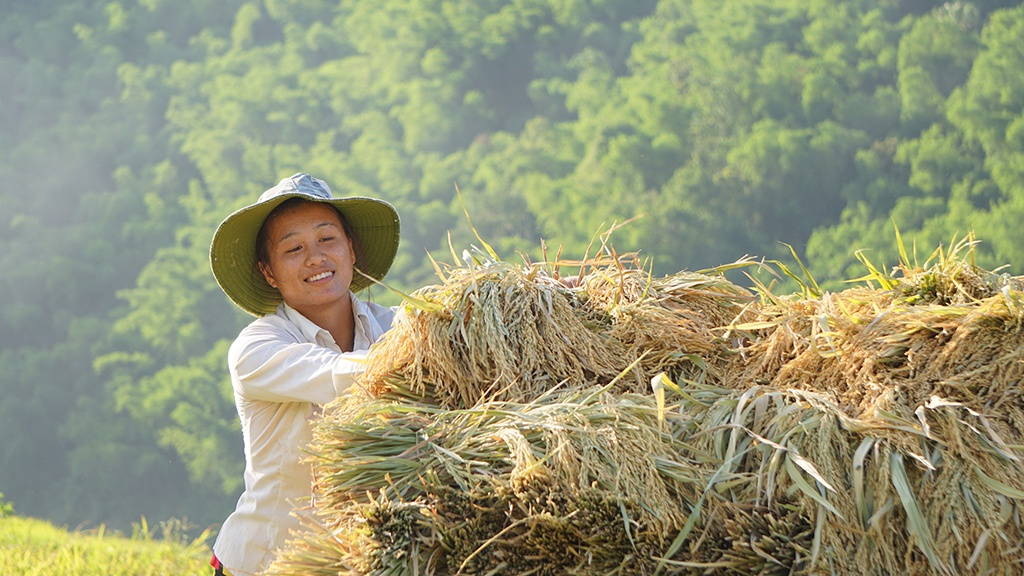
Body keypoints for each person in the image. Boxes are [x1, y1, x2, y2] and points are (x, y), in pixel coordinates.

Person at [207, 173, 401, 576]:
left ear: (352, 250)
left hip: (356, 561)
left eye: (327, 239)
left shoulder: (391, 326)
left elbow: (454, 327)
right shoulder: (257, 349)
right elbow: (336, 376)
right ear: (269, 272)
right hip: (266, 564)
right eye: (293, 248)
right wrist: (431, 348)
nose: (315, 258)